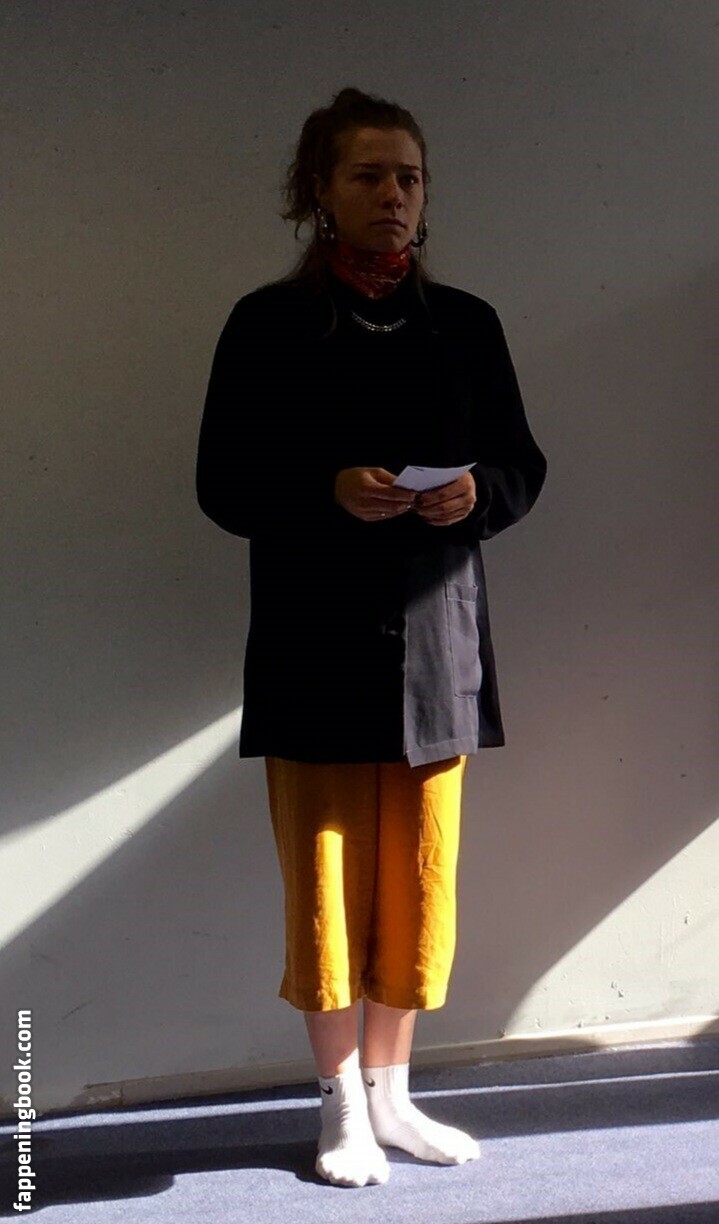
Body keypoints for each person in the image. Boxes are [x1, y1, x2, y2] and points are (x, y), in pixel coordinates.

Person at [195, 87, 547, 1188]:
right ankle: (338, 1102)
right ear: (319, 191)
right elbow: (221, 484)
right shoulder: (267, 323)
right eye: (367, 175)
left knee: (420, 881)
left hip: (438, 642)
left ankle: (395, 1095)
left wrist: (477, 495)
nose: (392, 194)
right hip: (313, 642)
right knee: (327, 880)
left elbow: (521, 466)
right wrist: (326, 490)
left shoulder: (467, 323)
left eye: (408, 177)